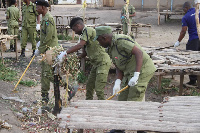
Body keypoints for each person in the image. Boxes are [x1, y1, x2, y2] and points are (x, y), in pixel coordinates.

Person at [94, 26, 156, 133]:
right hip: (129, 72)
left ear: (104, 38)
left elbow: (139, 53)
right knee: (122, 99)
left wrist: (136, 75)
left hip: (142, 69)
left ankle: (141, 130)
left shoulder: (121, 42)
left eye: (99, 40)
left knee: (134, 100)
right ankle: (120, 128)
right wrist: (117, 82)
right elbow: (118, 65)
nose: (99, 43)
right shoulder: (110, 48)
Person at [58, 17, 111, 100]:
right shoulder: (83, 35)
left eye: (74, 29)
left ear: (78, 26)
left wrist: (65, 53)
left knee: (99, 88)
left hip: (102, 62)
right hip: (96, 64)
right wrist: (72, 59)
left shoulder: (87, 30)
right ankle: (88, 103)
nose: (74, 32)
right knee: (89, 86)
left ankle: (103, 107)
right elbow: (84, 53)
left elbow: (80, 45)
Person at [34, 0, 58, 104]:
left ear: (43, 7)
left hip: (50, 50)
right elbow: (45, 36)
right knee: (48, 73)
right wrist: (40, 43)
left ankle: (45, 98)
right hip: (47, 49)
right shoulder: (44, 18)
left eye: (37, 7)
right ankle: (68, 89)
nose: (36, 9)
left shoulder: (48, 19)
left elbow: (49, 37)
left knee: (46, 73)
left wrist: (39, 49)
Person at [174, 1, 200, 86]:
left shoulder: (186, 17)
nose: (183, 11)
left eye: (183, 9)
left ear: (186, 8)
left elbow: (183, 31)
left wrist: (178, 41)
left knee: (191, 59)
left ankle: (193, 81)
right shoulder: (198, 11)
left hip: (194, 40)